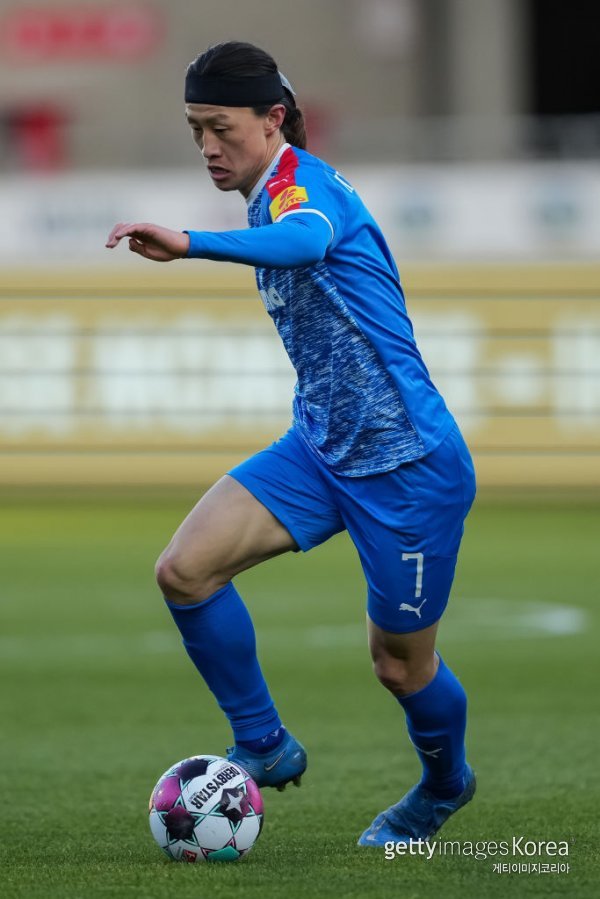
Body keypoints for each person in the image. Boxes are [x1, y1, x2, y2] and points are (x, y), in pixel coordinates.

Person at [106, 40, 477, 847]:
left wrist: (189, 243)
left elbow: (306, 240)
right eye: (195, 129)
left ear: (273, 119)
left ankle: (445, 784)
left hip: (407, 463)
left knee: (400, 665)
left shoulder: (302, 185)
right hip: (319, 445)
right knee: (184, 571)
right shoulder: (262, 193)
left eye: (221, 127)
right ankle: (265, 743)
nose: (208, 145)